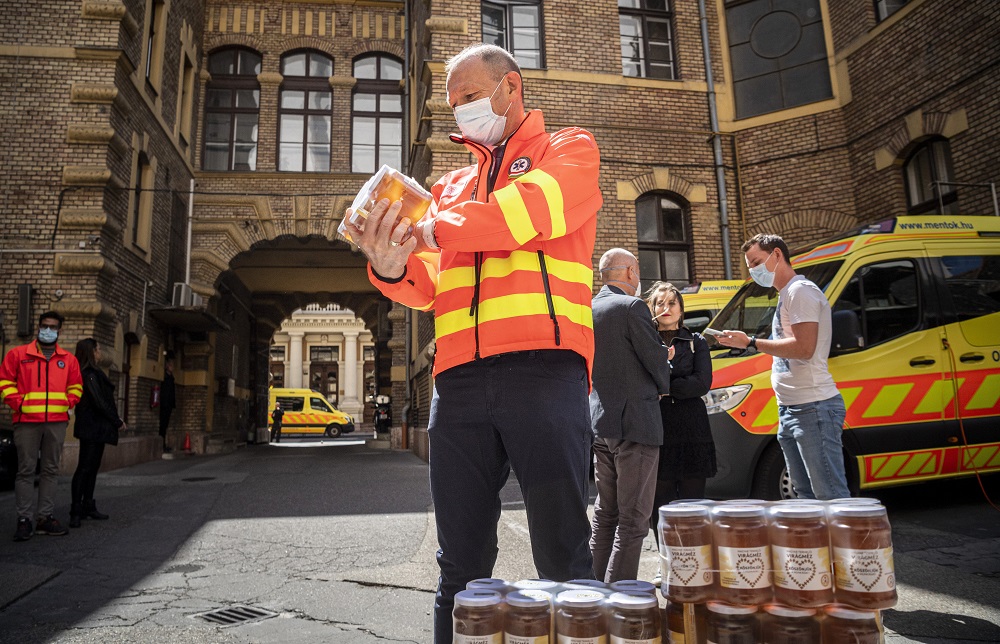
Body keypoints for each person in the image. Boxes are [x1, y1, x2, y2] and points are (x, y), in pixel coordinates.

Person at [343, 43, 603, 642]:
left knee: (563, 556)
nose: (460, 110)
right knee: (457, 566)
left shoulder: (568, 150)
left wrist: (430, 227)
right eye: (453, 101)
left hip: (545, 370)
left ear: (510, 88)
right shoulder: (448, 187)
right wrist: (387, 263)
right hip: (457, 384)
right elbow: (427, 285)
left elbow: (523, 213)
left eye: (470, 96)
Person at [717, 233, 851, 500]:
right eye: (749, 266)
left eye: (756, 262)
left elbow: (804, 347)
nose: (753, 271)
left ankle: (842, 542)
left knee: (830, 496)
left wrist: (752, 342)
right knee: (805, 494)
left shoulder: (800, 291)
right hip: (793, 409)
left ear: (777, 255)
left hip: (813, 407)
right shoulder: (786, 295)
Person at [589, 249, 673, 583]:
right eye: (638, 271)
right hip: (635, 423)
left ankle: (591, 593)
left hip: (601, 424)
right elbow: (655, 362)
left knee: (605, 515)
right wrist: (664, 360)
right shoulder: (632, 307)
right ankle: (616, 599)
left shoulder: (588, 308)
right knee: (634, 521)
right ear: (630, 271)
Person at [0, 311, 83, 541]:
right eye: (45, 326)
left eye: (53, 327)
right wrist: (20, 404)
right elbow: (5, 383)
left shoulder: (68, 359)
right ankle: (24, 520)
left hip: (56, 423)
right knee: (25, 471)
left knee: (50, 470)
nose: (48, 330)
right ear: (38, 327)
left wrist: (69, 402)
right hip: (26, 422)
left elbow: (76, 387)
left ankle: (44, 518)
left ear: (59, 330)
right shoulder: (18, 354)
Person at [644, 282, 716, 539]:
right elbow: (643, 382)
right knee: (659, 502)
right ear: (651, 308)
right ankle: (666, 563)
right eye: (660, 303)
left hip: (692, 429)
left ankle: (694, 561)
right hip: (657, 428)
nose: (666, 308)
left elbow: (701, 383)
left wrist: (665, 388)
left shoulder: (697, 342)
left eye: (671, 303)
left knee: (693, 503)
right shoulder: (646, 343)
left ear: (681, 309)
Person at [70, 338, 125, 528]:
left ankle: (88, 505)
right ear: (91, 352)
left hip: (96, 428)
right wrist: (117, 421)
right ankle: (76, 510)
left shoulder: (92, 373)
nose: (100, 352)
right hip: (91, 428)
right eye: (98, 349)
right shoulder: (89, 374)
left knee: (92, 468)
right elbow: (100, 402)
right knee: (84, 468)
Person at [159, 356, 176, 452]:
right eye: (171, 366)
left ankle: (163, 444)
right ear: (168, 366)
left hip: (168, 405)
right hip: (164, 405)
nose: (173, 368)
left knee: (165, 425)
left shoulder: (171, 378)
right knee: (162, 425)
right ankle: (162, 445)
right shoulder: (165, 378)